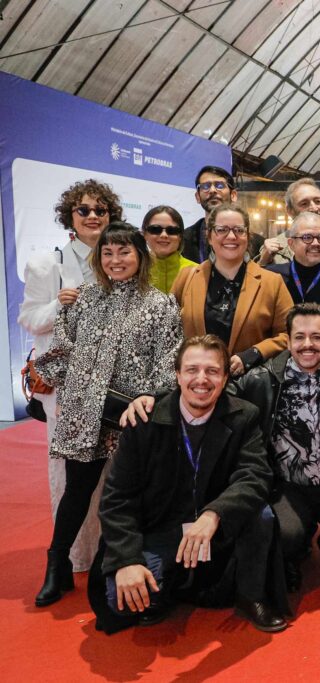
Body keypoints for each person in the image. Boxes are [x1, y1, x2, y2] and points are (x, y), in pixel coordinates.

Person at [32, 222, 182, 607]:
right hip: (85, 415)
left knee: (131, 493)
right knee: (77, 492)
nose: (116, 260)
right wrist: (79, 387)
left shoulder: (160, 304)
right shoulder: (83, 299)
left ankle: (119, 563)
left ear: (140, 256)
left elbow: (168, 362)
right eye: (108, 252)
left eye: (124, 251)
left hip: (134, 417)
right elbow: (59, 352)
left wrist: (145, 398)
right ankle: (57, 565)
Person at [98, 335, 286, 633]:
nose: (202, 379)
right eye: (192, 370)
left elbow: (255, 475)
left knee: (260, 514)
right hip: (163, 527)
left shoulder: (244, 415)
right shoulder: (143, 420)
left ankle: (250, 596)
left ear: (225, 378)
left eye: (212, 371)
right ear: (177, 374)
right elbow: (117, 498)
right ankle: (172, 584)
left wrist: (214, 514)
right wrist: (126, 561)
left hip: (215, 528)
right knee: (120, 602)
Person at [232, 303, 320, 592]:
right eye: (299, 337)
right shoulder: (263, 379)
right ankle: (293, 553)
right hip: (288, 485)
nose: (307, 344)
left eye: (316, 337)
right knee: (284, 534)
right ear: (287, 340)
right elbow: (217, 391)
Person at [18, 179, 124, 574]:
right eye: (84, 210)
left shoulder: (121, 261)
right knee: (69, 475)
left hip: (115, 386)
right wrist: (57, 305)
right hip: (66, 390)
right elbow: (29, 318)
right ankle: (73, 558)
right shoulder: (47, 265)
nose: (93, 216)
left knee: (113, 472)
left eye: (100, 210)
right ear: (70, 216)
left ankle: (111, 555)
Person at [172, 204, 293, 377]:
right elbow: (168, 333)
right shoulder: (186, 278)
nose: (231, 236)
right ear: (209, 236)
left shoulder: (272, 283)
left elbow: (289, 334)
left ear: (248, 236)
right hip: (196, 383)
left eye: (238, 230)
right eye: (222, 230)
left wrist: (255, 353)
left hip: (248, 384)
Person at [264, 211, 320, 355]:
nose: (315, 243)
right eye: (307, 237)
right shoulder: (271, 277)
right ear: (291, 244)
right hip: (276, 362)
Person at [181, 165, 263, 263]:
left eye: (219, 185)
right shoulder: (183, 240)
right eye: (206, 186)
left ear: (233, 195)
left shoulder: (257, 244)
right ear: (197, 197)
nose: (212, 190)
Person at [258, 177, 320, 265]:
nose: (314, 208)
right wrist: (263, 262)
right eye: (304, 203)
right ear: (290, 210)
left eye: (318, 201)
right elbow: (259, 274)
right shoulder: (275, 250)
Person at [142, 205, 197, 293]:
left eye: (172, 230)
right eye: (155, 229)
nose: (164, 235)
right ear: (144, 234)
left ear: (180, 236)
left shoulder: (197, 272)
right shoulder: (135, 272)